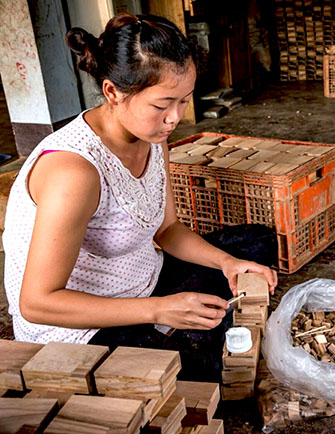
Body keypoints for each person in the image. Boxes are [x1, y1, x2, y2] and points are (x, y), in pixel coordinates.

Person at [2, 13, 277, 382]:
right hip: (79, 325)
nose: (174, 118)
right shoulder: (74, 173)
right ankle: (168, 331)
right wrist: (158, 310)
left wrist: (226, 263)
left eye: (184, 100)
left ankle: (177, 322)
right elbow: (37, 303)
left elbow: (166, 230)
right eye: (162, 104)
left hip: (142, 277)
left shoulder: (152, 139)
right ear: (113, 92)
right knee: (202, 374)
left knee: (255, 245)